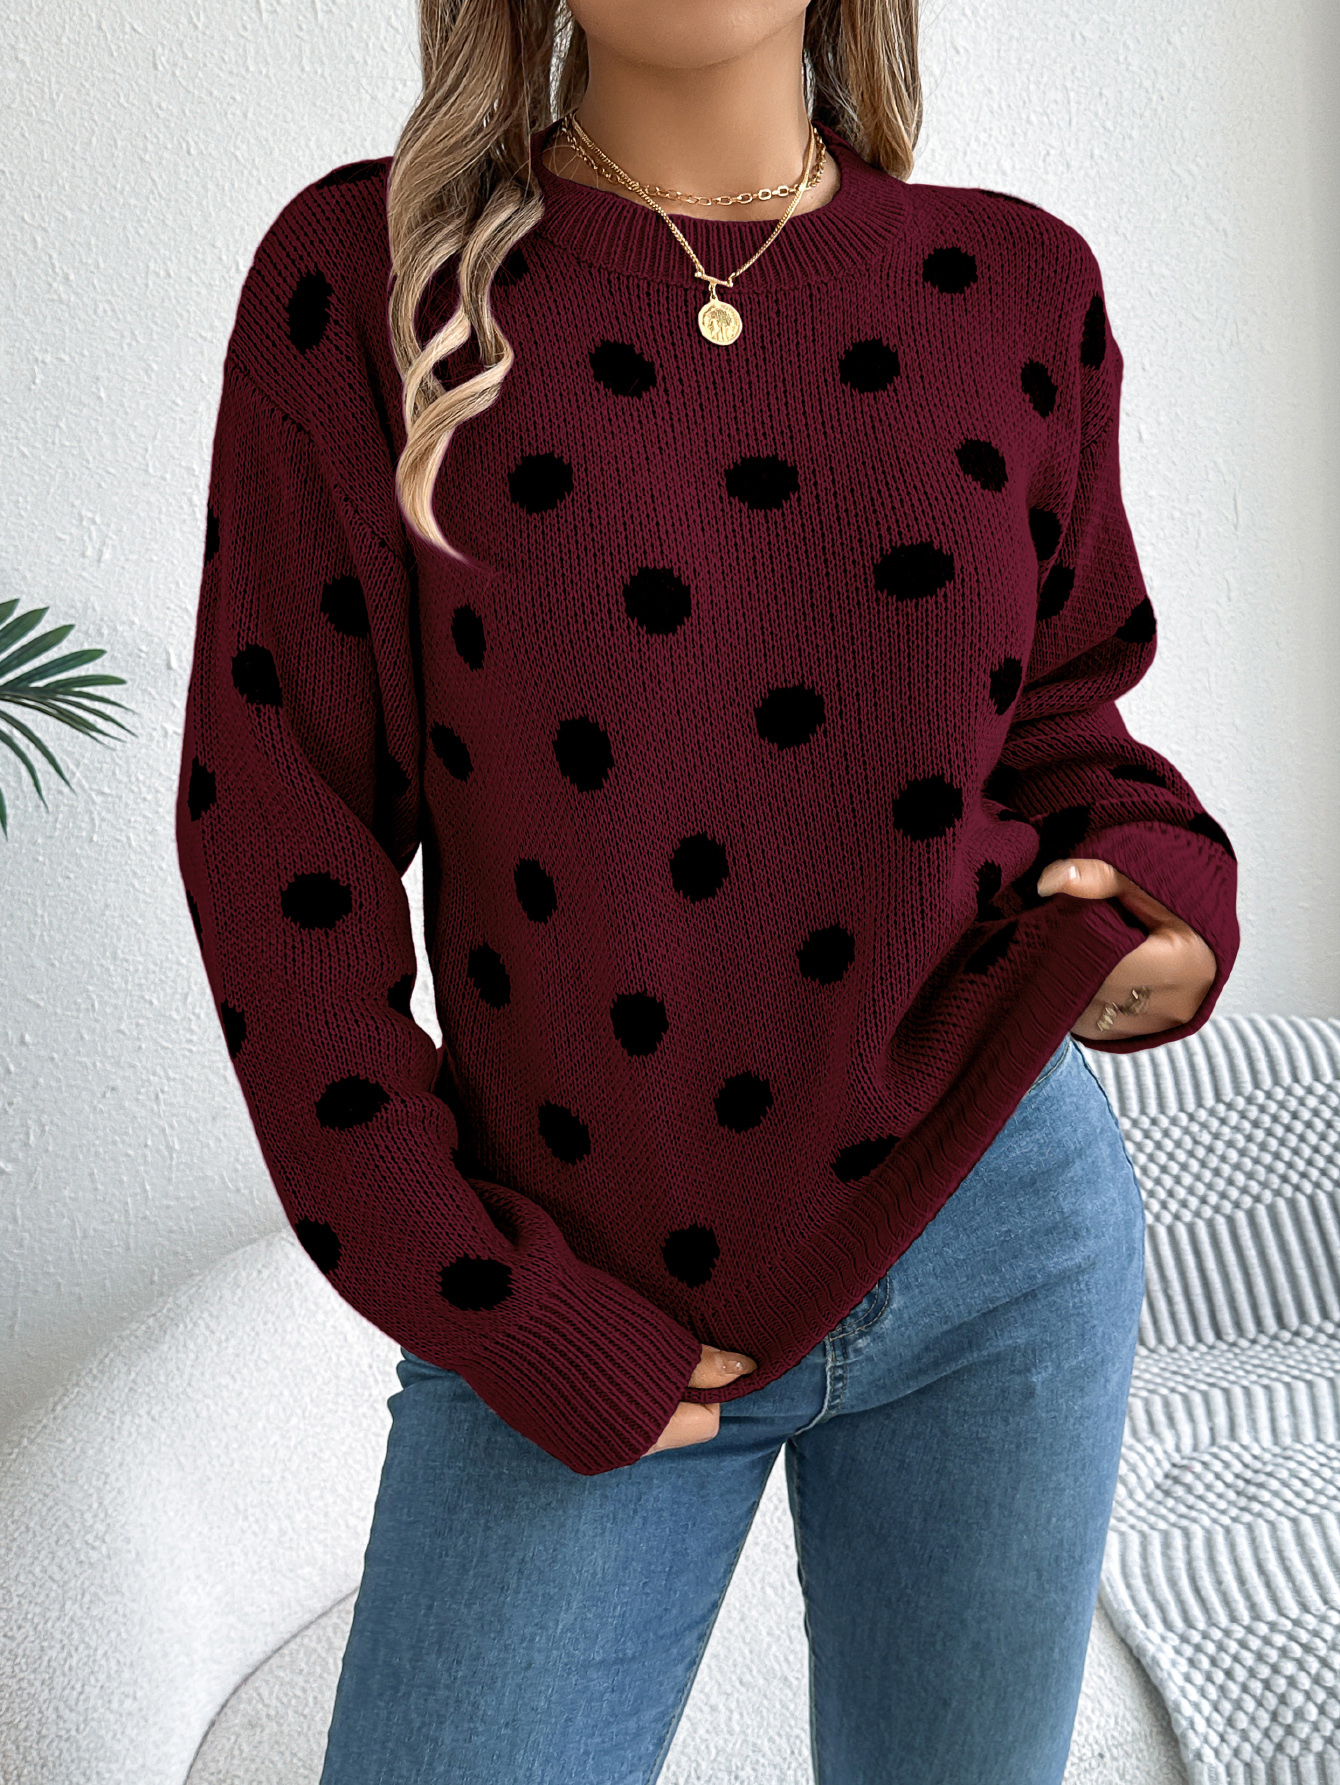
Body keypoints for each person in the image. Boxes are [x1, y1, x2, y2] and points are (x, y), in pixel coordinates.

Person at [175, 0, 1239, 1778]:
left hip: (1003, 1238)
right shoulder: (365, 287)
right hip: (578, 1277)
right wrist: (494, 1297)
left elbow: (1067, 721)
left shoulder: (1017, 287)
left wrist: (1161, 884)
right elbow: (275, 854)